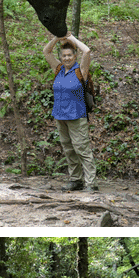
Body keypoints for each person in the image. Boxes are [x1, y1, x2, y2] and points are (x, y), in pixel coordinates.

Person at [43, 31, 97, 192]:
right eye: (64, 55)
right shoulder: (58, 69)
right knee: (68, 149)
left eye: (69, 55)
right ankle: (75, 180)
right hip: (60, 116)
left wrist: (71, 38)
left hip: (76, 115)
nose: (66, 58)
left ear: (74, 56)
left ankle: (91, 183)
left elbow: (86, 51)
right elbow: (46, 51)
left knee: (82, 149)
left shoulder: (80, 71)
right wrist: (57, 38)